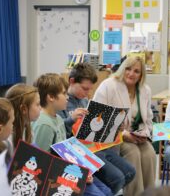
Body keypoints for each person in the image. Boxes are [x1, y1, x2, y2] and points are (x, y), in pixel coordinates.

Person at [57, 63, 136, 195]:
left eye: (89, 90)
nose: (87, 93)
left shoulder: (84, 100)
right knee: (117, 178)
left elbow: (93, 126)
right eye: (84, 88)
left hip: (94, 146)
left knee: (130, 172)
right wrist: (71, 120)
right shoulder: (62, 102)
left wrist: (114, 126)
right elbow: (59, 133)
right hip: (77, 151)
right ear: (71, 81)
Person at [33, 73, 112, 196]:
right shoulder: (44, 125)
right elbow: (42, 163)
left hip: (68, 170)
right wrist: (77, 175)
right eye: (64, 93)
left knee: (107, 191)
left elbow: (65, 152)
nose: (67, 97)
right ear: (51, 97)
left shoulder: (58, 118)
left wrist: (84, 171)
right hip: (57, 176)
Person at [93, 56, 156, 196]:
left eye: (136, 71)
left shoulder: (145, 90)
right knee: (133, 152)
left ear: (141, 75)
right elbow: (95, 121)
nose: (131, 74)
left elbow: (149, 119)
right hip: (112, 137)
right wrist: (121, 134)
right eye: (128, 69)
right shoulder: (108, 85)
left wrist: (146, 133)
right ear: (122, 68)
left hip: (136, 136)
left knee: (150, 153)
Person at [5, 84, 41, 151]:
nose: (40, 108)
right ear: (24, 109)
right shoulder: (7, 138)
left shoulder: (28, 129)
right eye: (38, 104)